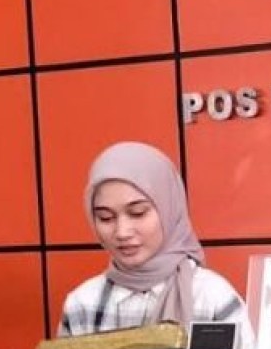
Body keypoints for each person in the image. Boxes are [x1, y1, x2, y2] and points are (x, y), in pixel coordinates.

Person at [57, 141, 249, 338]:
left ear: (169, 210)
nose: (122, 232)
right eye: (106, 217)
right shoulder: (83, 305)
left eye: (138, 213)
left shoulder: (211, 299)